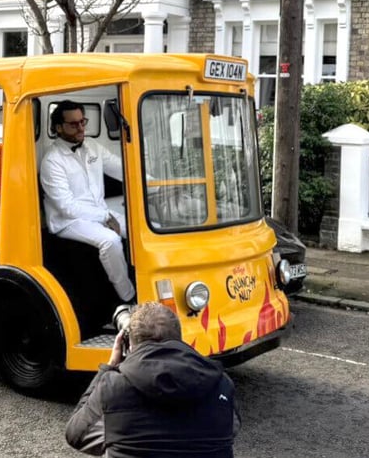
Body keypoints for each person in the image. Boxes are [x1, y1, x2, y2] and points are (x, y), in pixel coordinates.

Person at [65, 302, 240, 458]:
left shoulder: (113, 386)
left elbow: (76, 434)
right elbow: (231, 428)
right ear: (179, 339)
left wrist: (109, 367)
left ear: (128, 346)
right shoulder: (221, 383)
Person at [40, 100, 135, 306]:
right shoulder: (52, 161)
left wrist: (153, 183)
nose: (81, 128)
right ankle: (128, 297)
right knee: (110, 241)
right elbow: (66, 207)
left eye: (83, 121)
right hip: (68, 222)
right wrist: (104, 216)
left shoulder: (92, 146)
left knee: (139, 229)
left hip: (100, 212)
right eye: (74, 124)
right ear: (58, 127)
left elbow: (122, 168)